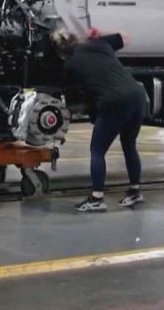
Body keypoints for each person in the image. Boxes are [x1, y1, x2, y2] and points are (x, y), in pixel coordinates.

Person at [52, 28, 149, 212]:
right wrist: (99, 33)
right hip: (137, 95)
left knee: (97, 150)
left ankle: (97, 198)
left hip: (113, 101)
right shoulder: (99, 44)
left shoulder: (70, 64)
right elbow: (126, 37)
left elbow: (77, 94)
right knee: (129, 145)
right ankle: (135, 192)